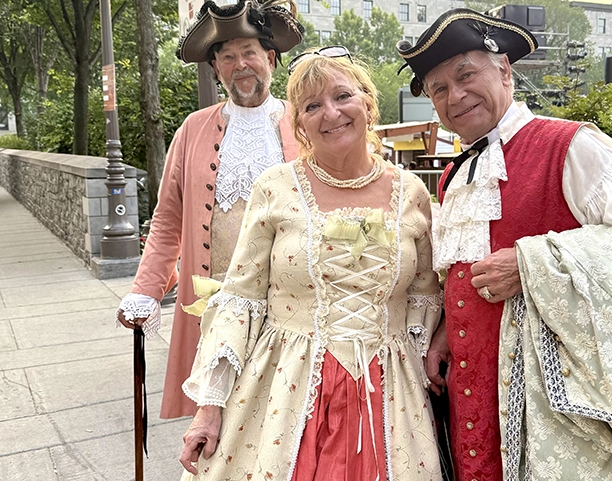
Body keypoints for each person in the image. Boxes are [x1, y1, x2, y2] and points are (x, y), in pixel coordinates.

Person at [397, 9, 612, 480]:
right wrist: (443, 335)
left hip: (548, 401)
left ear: (504, 71)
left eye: (465, 75)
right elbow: (462, 274)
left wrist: (531, 263)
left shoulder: (570, 144)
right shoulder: (454, 176)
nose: (455, 96)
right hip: (471, 388)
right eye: (439, 89)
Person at [178, 48, 444, 480]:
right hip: (285, 389)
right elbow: (241, 297)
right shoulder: (276, 187)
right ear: (298, 123)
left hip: (390, 396)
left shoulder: (411, 192)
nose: (331, 113)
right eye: (312, 106)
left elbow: (425, 294)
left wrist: (427, 359)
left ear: (368, 104)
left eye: (342, 96)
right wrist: (209, 409)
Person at [117, 0, 303, 419]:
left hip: (288, 310)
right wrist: (146, 288)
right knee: (215, 428)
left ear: (271, 59)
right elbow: (167, 221)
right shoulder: (192, 130)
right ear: (216, 69)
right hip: (212, 307)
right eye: (227, 57)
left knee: (282, 423)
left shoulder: (305, 122)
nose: (240, 65)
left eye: (249, 52)